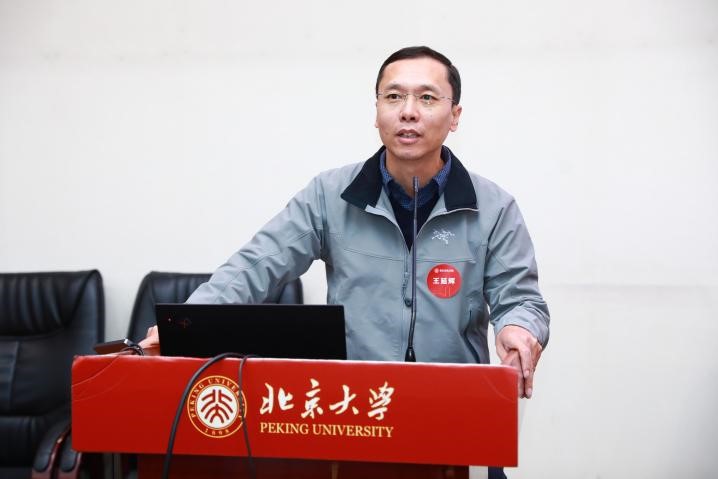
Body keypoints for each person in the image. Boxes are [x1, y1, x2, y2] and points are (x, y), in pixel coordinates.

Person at [142, 46, 549, 399]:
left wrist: (519, 330)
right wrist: (183, 326)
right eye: (393, 97)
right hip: (353, 405)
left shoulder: (493, 208)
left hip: (455, 401)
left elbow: (521, 299)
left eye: (427, 98)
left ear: (454, 115)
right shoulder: (329, 195)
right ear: (377, 111)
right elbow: (255, 266)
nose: (408, 112)